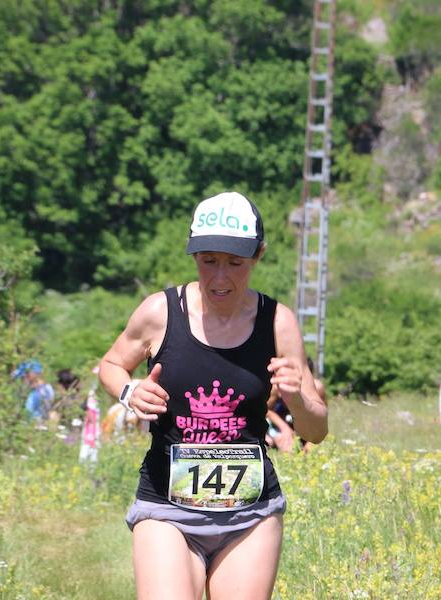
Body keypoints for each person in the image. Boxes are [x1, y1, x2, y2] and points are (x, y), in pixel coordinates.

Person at [98, 191, 328, 600]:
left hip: (249, 514)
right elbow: (110, 365)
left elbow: (317, 428)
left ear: (258, 255)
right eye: (209, 261)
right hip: (167, 507)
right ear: (194, 256)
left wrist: (296, 398)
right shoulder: (160, 311)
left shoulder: (279, 322)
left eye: (235, 263)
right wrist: (130, 390)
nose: (221, 278)